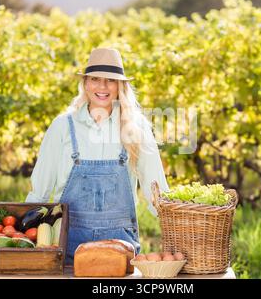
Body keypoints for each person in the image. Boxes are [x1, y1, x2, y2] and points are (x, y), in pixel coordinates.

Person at [25, 47, 169, 265]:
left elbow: (155, 186)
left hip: (122, 251)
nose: (102, 87)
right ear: (85, 84)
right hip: (67, 247)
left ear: (120, 86)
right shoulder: (63, 126)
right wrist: (24, 235)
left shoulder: (137, 126)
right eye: (95, 79)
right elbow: (40, 191)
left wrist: (176, 230)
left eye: (110, 80)